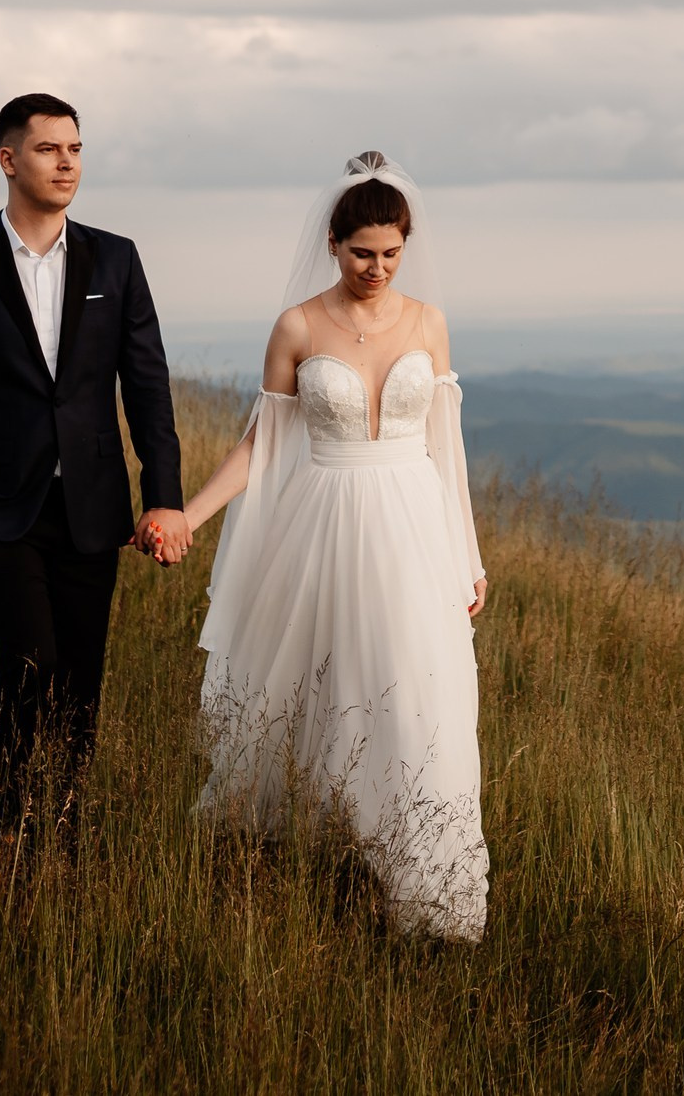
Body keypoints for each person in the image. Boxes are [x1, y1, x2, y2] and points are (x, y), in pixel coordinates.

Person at [176, 151, 491, 941]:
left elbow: (448, 448)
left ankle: (426, 891)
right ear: (333, 242)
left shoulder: (428, 322)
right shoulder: (298, 324)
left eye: (391, 253)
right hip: (322, 521)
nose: (377, 268)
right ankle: (309, 862)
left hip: (415, 524)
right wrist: (191, 513)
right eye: (362, 253)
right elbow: (264, 442)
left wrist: (467, 554)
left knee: (417, 689)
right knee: (320, 688)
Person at [0, 94, 188, 846]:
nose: (67, 163)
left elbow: (147, 388)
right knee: (31, 659)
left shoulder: (115, 259)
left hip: (92, 506)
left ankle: (64, 822)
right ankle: (6, 828)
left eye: (76, 149)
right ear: (7, 159)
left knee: (80, 683)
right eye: (50, 148)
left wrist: (165, 499)